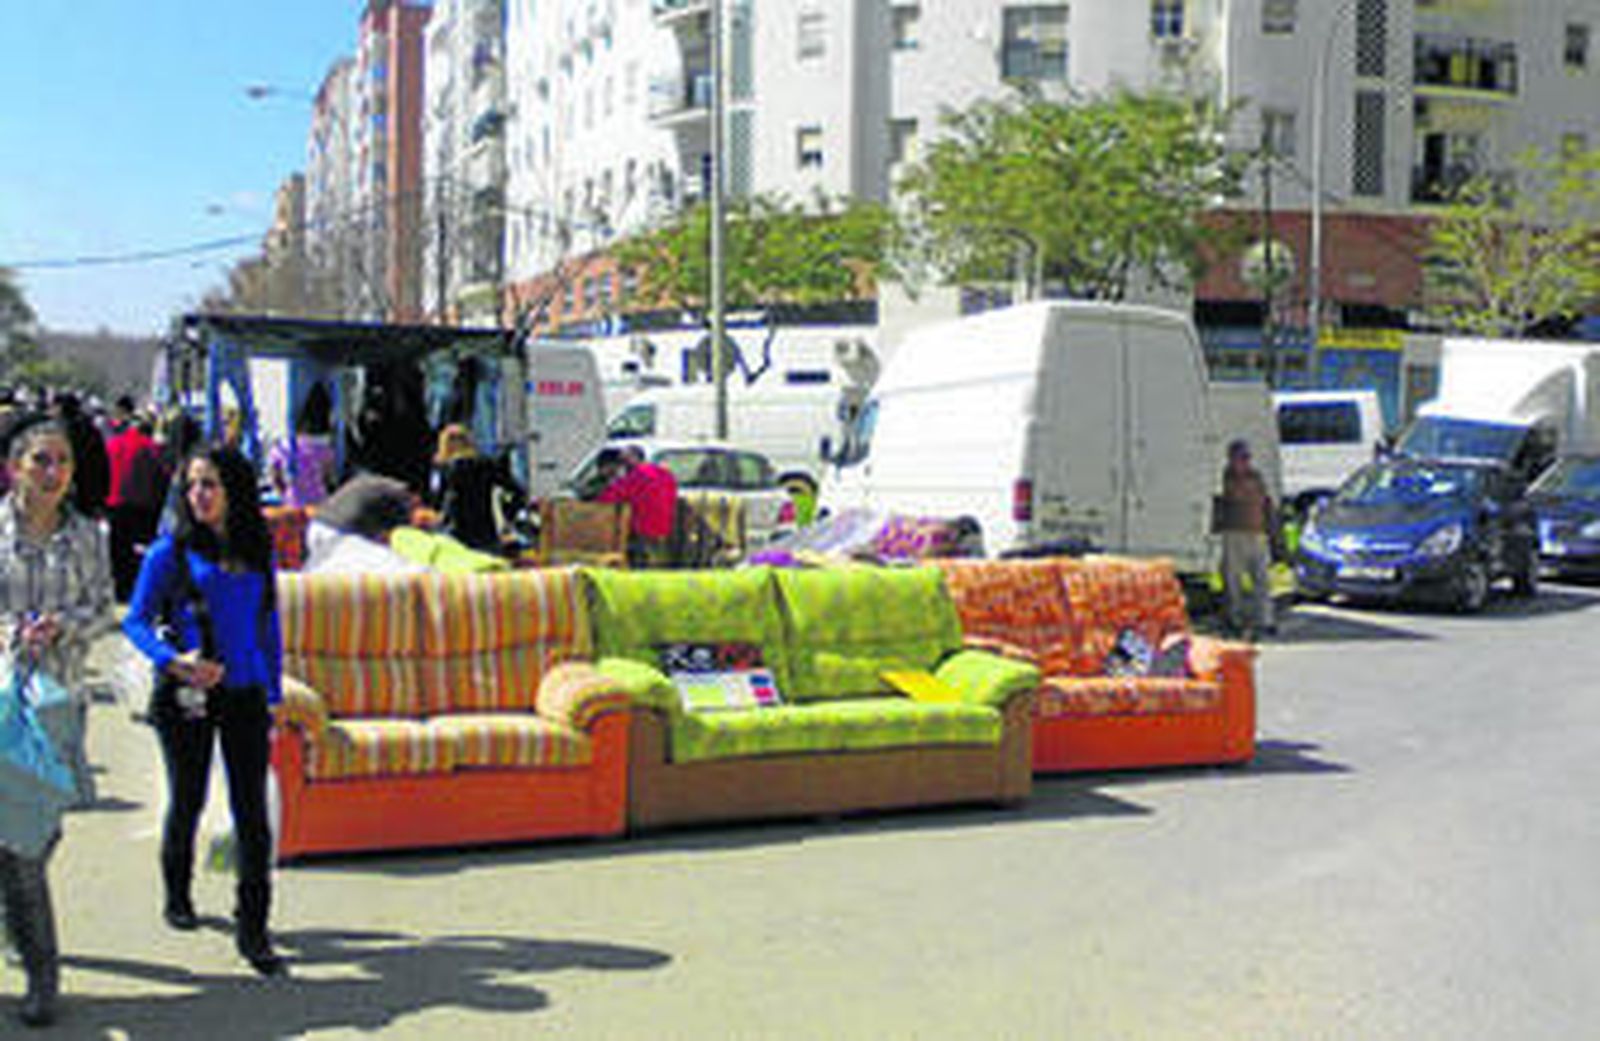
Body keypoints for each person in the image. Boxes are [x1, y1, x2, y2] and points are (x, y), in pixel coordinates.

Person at [123, 445, 287, 977]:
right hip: (187, 695)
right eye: (192, 485)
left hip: (244, 694)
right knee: (188, 798)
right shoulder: (169, 553)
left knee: (252, 814)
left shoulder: (257, 547)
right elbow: (136, 621)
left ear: (235, 489)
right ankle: (178, 891)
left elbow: (268, 625)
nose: (200, 495)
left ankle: (254, 925)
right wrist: (174, 661)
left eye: (211, 484)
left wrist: (275, 694)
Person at [0, 414, 114, 1026]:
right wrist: (9, 632)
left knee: (37, 837)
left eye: (61, 463)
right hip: (0, 702)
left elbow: (104, 610)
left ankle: (20, 933)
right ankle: (44, 973)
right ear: (16, 466)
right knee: (21, 844)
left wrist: (64, 626)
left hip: (58, 703)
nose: (52, 473)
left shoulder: (89, 535)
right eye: (40, 461)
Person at [105, 398, 166, 602]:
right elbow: (160, 479)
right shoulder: (152, 448)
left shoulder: (113, 444)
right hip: (143, 506)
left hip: (115, 504)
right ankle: (136, 590)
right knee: (139, 551)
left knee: (118, 551)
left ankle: (119, 589)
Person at [429, 424, 525, 554]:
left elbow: (439, 503)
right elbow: (517, 491)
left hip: (456, 535)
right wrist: (508, 514)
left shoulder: (446, 470)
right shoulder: (487, 465)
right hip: (486, 534)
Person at [1216, 439, 1277, 638]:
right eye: (1240, 457)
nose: (1244, 461)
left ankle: (1265, 620)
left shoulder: (1256, 477)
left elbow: (1266, 502)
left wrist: (1272, 529)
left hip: (1257, 533)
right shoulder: (1226, 478)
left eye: (1247, 457)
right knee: (1233, 579)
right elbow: (1226, 499)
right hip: (1234, 533)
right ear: (1231, 458)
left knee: (1262, 579)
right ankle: (1234, 618)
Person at [595, 445, 678, 567]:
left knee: (639, 559)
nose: (622, 465)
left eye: (624, 461)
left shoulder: (636, 476)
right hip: (664, 526)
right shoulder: (665, 474)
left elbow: (609, 498)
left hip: (642, 527)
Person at [267, 386, 337, 509]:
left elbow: (274, 476)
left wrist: (284, 495)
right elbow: (329, 478)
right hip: (319, 504)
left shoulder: (283, 446)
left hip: (292, 504)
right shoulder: (325, 450)